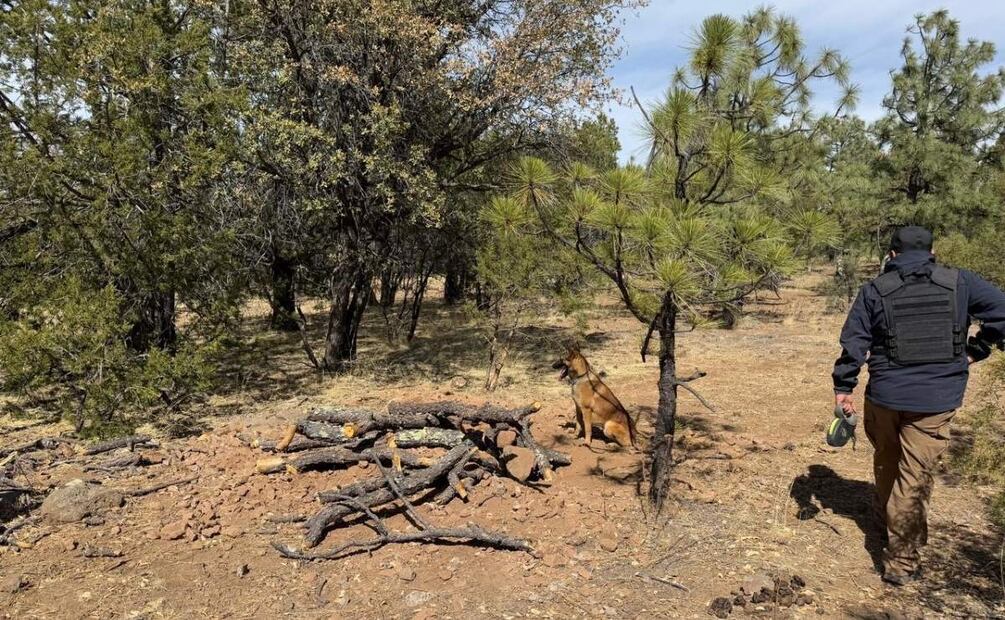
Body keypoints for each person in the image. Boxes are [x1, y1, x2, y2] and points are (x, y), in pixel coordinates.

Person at [832, 226, 1005, 586]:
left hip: (885, 395)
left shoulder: (874, 289)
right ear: (932, 251)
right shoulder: (961, 282)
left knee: (887, 461)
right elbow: (1002, 312)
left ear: (891, 255)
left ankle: (891, 526)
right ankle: (902, 562)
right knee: (913, 477)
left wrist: (843, 387)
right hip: (935, 401)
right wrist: (979, 347)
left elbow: (854, 341)